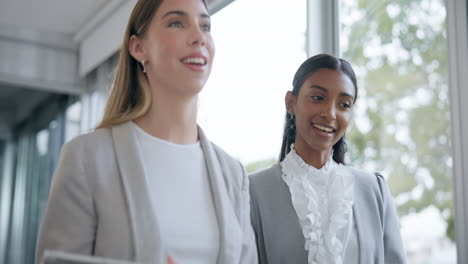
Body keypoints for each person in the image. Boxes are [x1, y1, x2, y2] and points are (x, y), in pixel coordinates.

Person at [35, 0, 257, 263]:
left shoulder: (234, 176)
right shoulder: (86, 158)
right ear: (138, 48)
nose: (199, 37)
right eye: (177, 23)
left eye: (205, 26)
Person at [249, 54, 406, 264]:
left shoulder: (374, 191)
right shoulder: (253, 191)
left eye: (343, 104)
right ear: (290, 102)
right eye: (318, 98)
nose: (330, 113)